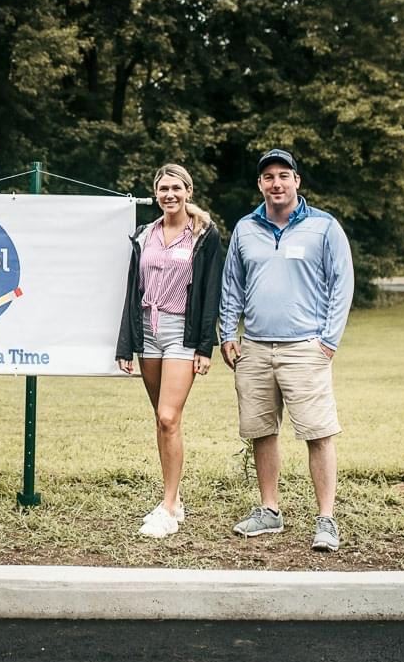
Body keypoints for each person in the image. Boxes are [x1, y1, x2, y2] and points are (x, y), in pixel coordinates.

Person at [219, 149, 353, 551]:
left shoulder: (324, 227)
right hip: (256, 348)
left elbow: (340, 285)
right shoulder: (245, 229)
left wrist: (327, 341)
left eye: (283, 175)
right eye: (268, 177)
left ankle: (326, 519)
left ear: (297, 181)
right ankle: (269, 511)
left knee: (319, 432)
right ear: (260, 185)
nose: (276, 183)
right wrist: (228, 332)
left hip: (305, 348)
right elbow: (232, 286)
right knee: (261, 431)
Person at [116, 163, 223, 538]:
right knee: (164, 422)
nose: (169, 195)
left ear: (188, 191)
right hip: (148, 332)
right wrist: (126, 343)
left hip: (182, 332)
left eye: (176, 188)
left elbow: (212, 291)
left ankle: (168, 506)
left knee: (167, 417)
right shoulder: (144, 235)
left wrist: (205, 345)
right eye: (163, 189)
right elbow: (133, 291)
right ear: (156, 193)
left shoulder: (204, 236)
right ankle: (172, 501)